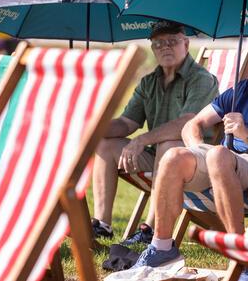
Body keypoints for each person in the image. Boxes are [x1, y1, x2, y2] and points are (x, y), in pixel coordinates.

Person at [131, 27, 248, 280]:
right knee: (173, 157)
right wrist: (196, 148)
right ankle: (162, 248)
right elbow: (193, 125)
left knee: (218, 156)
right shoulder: (243, 90)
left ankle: (241, 256)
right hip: (222, 163)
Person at [92, 20, 219, 244]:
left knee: (169, 144)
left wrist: (142, 139)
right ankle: (102, 225)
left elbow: (187, 123)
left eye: (172, 41)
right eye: (159, 43)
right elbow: (127, 123)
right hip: (158, 158)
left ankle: (151, 228)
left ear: (186, 44)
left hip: (195, 163)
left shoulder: (201, 79)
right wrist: (92, 129)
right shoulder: (149, 82)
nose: (165, 47)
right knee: (106, 144)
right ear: (152, 48)